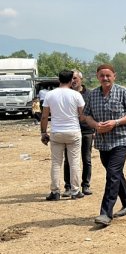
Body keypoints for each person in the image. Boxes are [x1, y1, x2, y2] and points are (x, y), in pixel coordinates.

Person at [82, 64, 126, 226]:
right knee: (115, 173)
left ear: (114, 76)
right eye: (102, 75)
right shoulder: (93, 95)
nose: (105, 78)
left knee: (112, 174)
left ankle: (106, 213)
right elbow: (86, 116)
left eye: (108, 75)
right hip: (102, 142)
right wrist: (95, 125)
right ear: (97, 77)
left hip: (121, 139)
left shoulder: (123, 92)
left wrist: (116, 122)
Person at [40, 69, 85, 201]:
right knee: (74, 162)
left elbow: (44, 116)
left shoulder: (50, 95)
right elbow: (82, 115)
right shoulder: (76, 95)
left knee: (56, 163)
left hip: (56, 132)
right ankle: (75, 191)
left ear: (58, 79)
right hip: (73, 131)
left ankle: (55, 191)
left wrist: (43, 132)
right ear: (72, 80)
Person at [62, 70, 95, 197]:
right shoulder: (65, 94)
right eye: (71, 78)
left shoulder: (90, 94)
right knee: (68, 160)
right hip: (70, 131)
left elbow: (94, 112)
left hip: (86, 130)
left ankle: (85, 185)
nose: (73, 80)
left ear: (81, 79)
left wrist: (95, 129)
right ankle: (68, 186)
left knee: (86, 159)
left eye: (75, 78)